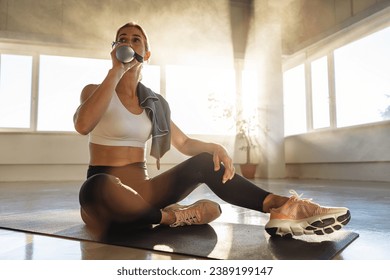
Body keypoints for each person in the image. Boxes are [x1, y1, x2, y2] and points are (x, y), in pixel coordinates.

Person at [73, 22, 351, 238]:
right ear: (114, 48)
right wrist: (115, 71)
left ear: (146, 54)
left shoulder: (154, 104)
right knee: (96, 188)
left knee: (206, 161)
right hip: (105, 189)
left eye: (136, 39)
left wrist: (214, 148)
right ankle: (172, 217)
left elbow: (183, 143)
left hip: (145, 190)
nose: (129, 43)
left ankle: (283, 207)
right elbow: (83, 125)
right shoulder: (95, 91)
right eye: (122, 39)